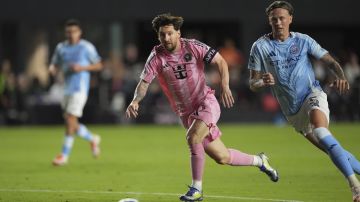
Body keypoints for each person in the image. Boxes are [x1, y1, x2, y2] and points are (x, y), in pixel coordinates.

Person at [126, 13, 279, 201]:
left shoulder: (193, 46)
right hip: (186, 114)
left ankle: (196, 189)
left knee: (192, 137)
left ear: (178, 33)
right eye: (162, 35)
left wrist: (224, 86)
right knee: (222, 157)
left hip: (206, 103)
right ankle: (260, 161)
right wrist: (135, 100)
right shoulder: (156, 56)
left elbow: (221, 61)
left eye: (169, 33)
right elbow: (144, 83)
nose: (166, 38)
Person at [248, 1, 360, 201]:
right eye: (274, 19)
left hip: (312, 95)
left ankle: (355, 186)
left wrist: (341, 76)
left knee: (321, 131)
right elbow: (252, 83)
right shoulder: (260, 46)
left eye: (282, 18)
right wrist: (261, 81)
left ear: (290, 19)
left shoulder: (303, 41)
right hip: (291, 111)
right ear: (269, 21)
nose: (279, 22)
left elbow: (330, 62)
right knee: (332, 149)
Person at [49, 19, 103, 166]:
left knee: (70, 120)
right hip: (66, 89)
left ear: (79, 32)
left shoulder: (86, 47)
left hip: (79, 89)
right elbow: (55, 62)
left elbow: (99, 65)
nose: (71, 34)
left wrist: (82, 68)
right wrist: (52, 68)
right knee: (71, 122)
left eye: (74, 31)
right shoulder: (61, 47)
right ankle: (92, 139)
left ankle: (64, 156)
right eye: (68, 32)